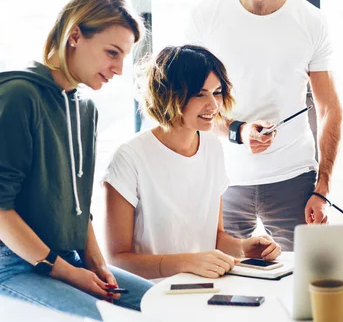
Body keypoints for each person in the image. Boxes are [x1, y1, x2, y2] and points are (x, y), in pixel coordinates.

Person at [0, 0, 153, 321]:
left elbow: (77, 206)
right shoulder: (16, 96)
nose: (117, 69)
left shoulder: (84, 107)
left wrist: (98, 266)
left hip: (65, 255)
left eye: (124, 57)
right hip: (7, 263)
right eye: (111, 53)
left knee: (164, 305)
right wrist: (72, 274)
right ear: (75, 36)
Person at [183, 0, 342, 250]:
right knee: (223, 282)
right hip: (222, 178)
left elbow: (329, 109)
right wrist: (238, 131)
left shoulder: (311, 21)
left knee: (301, 282)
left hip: (294, 177)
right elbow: (190, 104)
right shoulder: (206, 15)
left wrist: (323, 189)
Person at [103, 45, 281, 280]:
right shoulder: (129, 157)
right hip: (151, 293)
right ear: (168, 94)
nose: (213, 105)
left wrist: (242, 247)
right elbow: (116, 260)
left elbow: (215, 236)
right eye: (199, 94)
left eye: (217, 92)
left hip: (205, 286)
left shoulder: (213, 148)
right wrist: (186, 262)